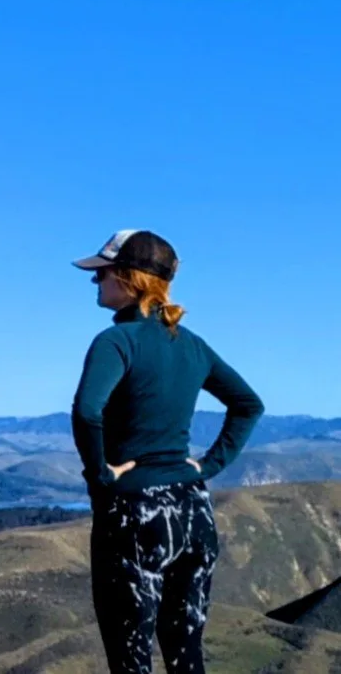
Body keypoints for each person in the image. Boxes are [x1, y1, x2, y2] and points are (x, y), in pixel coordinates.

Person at [70, 229, 265, 674]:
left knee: (131, 661)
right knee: (186, 656)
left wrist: (100, 473)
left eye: (101, 273)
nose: (95, 282)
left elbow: (87, 411)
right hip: (194, 511)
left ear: (128, 277)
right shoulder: (191, 344)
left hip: (135, 514)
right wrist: (208, 465)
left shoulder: (116, 342)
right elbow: (248, 404)